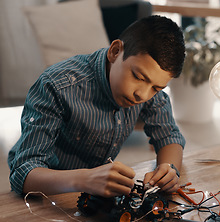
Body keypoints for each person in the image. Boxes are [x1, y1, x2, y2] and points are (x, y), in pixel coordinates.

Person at [7, 15, 186, 197]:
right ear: (115, 52)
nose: (143, 94)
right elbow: (22, 173)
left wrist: (169, 169)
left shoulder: (148, 89)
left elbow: (169, 136)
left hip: (92, 196)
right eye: (139, 77)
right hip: (47, 193)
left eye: (157, 88)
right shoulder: (55, 86)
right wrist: (85, 180)